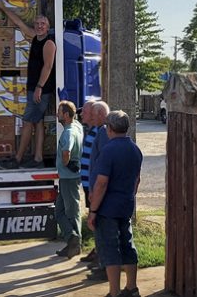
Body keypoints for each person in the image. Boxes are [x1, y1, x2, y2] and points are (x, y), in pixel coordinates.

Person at [87, 110, 143, 297]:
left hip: (107, 208)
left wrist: (93, 210)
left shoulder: (108, 150)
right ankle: (132, 288)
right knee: (127, 244)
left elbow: (101, 183)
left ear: (109, 129)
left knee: (110, 248)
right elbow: (136, 180)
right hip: (125, 204)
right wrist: (128, 196)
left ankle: (114, 292)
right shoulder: (135, 150)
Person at [0, 0, 56, 169]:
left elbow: (48, 66)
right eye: (37, 23)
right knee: (38, 122)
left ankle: (18, 158)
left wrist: (39, 87)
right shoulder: (35, 37)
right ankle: (37, 158)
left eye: (42, 23)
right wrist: (2, 6)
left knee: (28, 122)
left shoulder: (49, 43)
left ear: (48, 26)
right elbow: (19, 22)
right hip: (35, 88)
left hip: (40, 90)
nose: (39, 26)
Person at [82, 100, 111, 269]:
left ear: (100, 115)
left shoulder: (103, 131)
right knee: (95, 221)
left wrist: (94, 187)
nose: (90, 117)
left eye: (92, 114)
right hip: (90, 185)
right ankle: (98, 250)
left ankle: (102, 256)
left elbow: (101, 163)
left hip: (95, 187)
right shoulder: (95, 129)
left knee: (98, 220)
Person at [55, 100, 84, 259]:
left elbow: (66, 151)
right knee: (59, 211)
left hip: (69, 178)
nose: (57, 115)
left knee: (72, 211)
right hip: (67, 178)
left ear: (66, 115)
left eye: (59, 112)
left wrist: (66, 162)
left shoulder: (69, 132)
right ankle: (71, 239)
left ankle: (75, 242)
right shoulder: (77, 126)